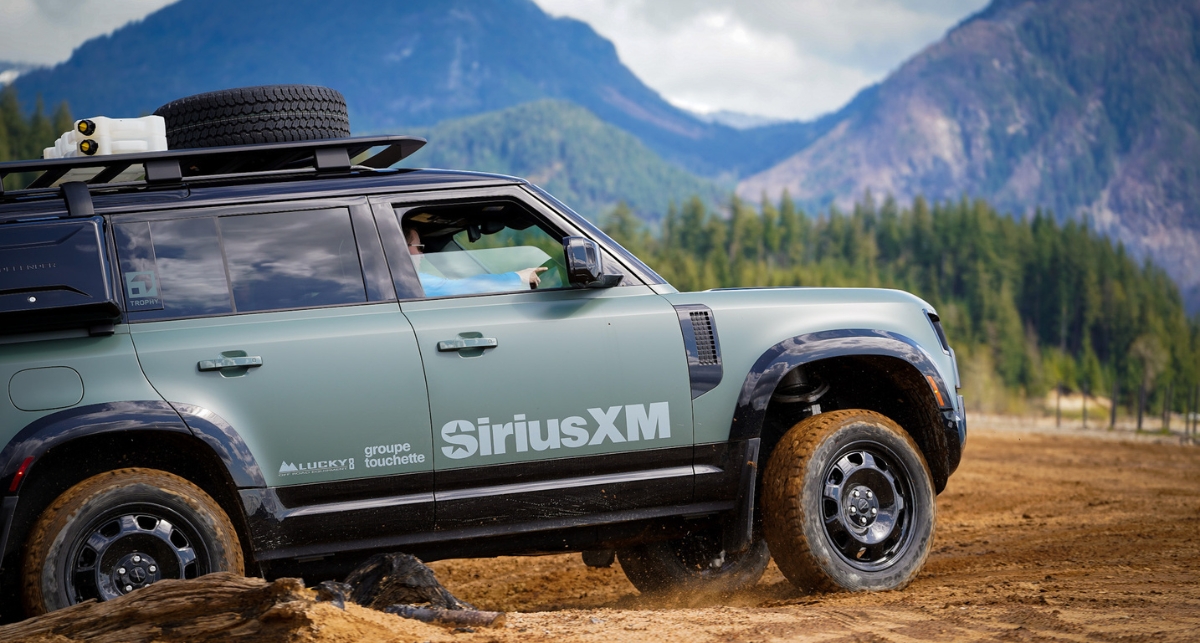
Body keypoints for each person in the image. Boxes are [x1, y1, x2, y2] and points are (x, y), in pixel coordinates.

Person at [406, 226, 547, 297]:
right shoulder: (407, 283)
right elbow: (462, 288)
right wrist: (518, 278)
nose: (422, 255)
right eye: (419, 248)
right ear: (401, 248)